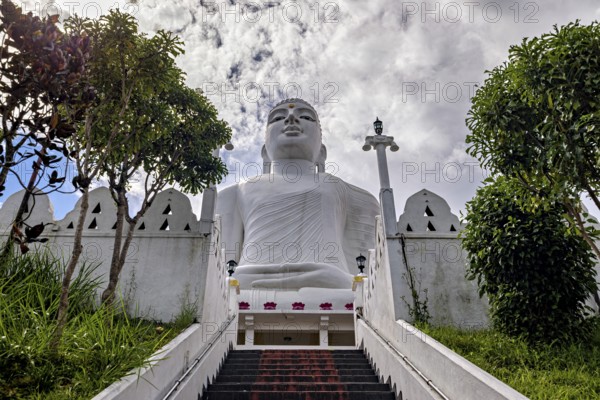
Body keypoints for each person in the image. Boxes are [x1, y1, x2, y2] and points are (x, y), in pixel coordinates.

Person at [217, 99, 379, 294]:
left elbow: (368, 270)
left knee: (334, 277)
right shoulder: (236, 192)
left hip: (330, 280)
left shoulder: (347, 191)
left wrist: (343, 279)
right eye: (278, 118)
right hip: (250, 279)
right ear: (264, 153)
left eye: (305, 117)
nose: (291, 118)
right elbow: (222, 267)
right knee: (235, 280)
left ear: (322, 153)